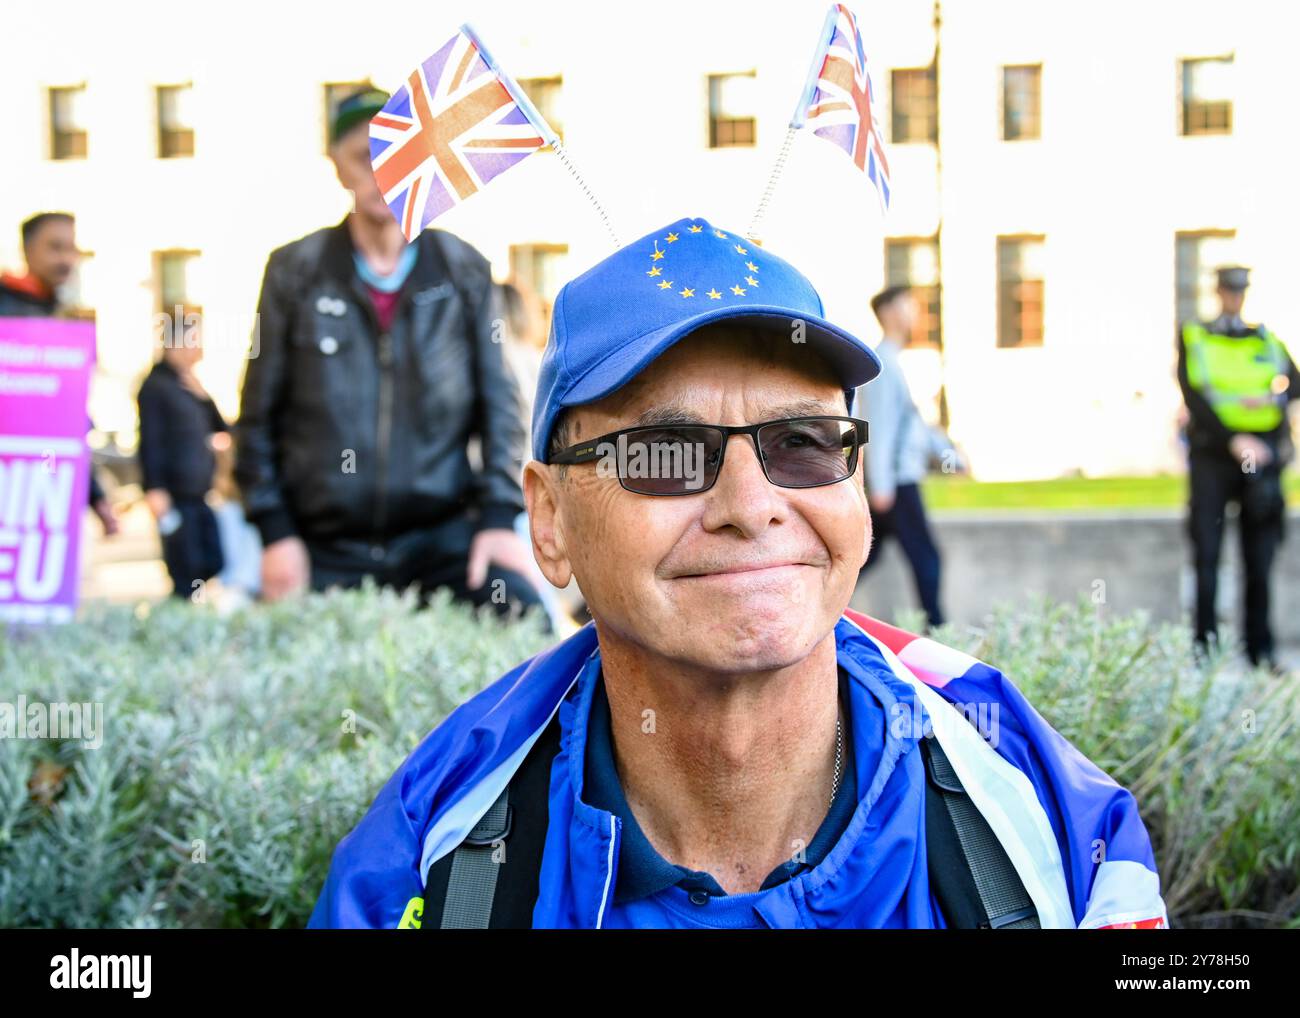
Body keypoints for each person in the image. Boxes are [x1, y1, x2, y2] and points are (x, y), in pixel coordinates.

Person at [309, 218, 1168, 930]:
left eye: (803, 442)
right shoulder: (429, 857)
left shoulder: (1051, 825)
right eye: (666, 453)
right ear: (550, 520)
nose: (750, 505)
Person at [234, 88, 541, 620]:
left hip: (441, 538)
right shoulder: (293, 271)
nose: (383, 175)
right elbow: (257, 415)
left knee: (528, 625)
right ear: (338, 166)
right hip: (323, 546)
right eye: (365, 158)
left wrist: (497, 517)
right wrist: (275, 533)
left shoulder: (463, 270)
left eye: (400, 158)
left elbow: (501, 406)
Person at [1177, 265, 1299, 670]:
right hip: (1214, 456)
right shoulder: (1196, 336)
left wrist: (1275, 434)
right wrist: (1234, 438)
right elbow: (1194, 393)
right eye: (1230, 290)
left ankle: (1260, 652)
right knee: (1207, 556)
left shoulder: (1266, 340)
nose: (1235, 296)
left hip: (1259, 463)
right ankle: (1204, 653)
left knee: (1259, 560)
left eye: (1240, 290)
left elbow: (1292, 387)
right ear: (1218, 292)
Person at [0, 211, 118, 537]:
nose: (67, 259)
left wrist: (95, 494)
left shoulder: (59, 318)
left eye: (72, 249)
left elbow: (63, 420)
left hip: (45, 484)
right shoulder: (9, 311)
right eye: (55, 247)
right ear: (27, 250)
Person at [856, 285, 955, 628]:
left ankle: (815, 609)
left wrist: (949, 457)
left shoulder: (895, 361)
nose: (914, 312)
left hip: (895, 481)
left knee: (865, 556)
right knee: (927, 559)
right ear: (888, 312)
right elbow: (878, 428)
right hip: (897, 483)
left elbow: (914, 425)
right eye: (907, 305)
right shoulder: (883, 364)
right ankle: (939, 634)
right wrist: (881, 485)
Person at [136, 310, 228, 598]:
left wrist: (204, 397)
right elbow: (150, 441)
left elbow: (221, 428)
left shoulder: (188, 385)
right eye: (193, 342)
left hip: (199, 493)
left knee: (213, 559)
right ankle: (183, 621)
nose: (198, 351)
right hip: (175, 495)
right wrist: (155, 487)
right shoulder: (155, 387)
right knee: (186, 569)